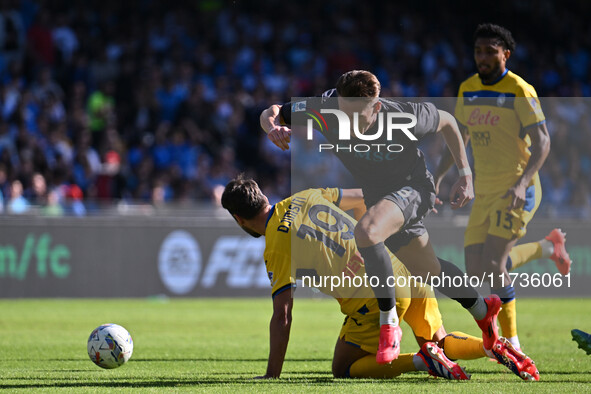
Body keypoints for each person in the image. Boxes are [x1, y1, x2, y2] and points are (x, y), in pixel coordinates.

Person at [261, 70, 501, 365]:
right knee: (429, 270)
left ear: (376, 107)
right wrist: (272, 127)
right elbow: (271, 112)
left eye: (358, 115)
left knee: (366, 232)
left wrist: (465, 175)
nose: (349, 122)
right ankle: (482, 309)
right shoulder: (322, 109)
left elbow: (450, 122)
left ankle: (389, 325)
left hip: (413, 188)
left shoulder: (403, 115)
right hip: (380, 198)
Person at [221, 176, 540, 381]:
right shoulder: (305, 196)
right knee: (439, 340)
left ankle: (420, 361)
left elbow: (283, 314)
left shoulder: (275, 245)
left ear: (239, 218)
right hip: (403, 268)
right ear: (262, 195)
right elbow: (363, 196)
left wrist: (271, 376)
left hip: (375, 298)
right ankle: (492, 346)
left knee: (342, 368)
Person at [434, 23, 571, 352]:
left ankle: (511, 342)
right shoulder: (467, 88)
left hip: (516, 188)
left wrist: (523, 183)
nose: (482, 57)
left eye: (490, 52)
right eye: (478, 51)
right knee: (476, 271)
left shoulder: (519, 90)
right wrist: (440, 177)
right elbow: (459, 137)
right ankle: (547, 248)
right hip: (484, 190)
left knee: (495, 265)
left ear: (505, 54)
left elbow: (543, 142)